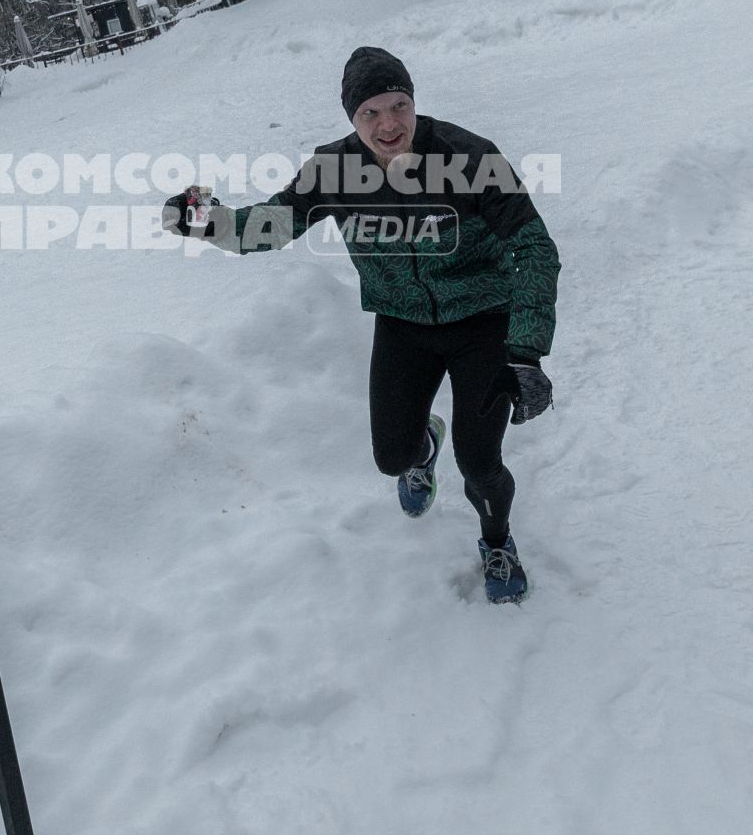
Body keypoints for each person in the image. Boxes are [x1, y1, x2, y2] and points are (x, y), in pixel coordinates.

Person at [164, 47, 560, 604]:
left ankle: (497, 540)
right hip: (403, 324)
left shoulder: (470, 157)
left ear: (415, 104)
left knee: (480, 460)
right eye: (370, 113)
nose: (389, 123)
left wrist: (526, 349)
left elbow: (533, 249)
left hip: (483, 321)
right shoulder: (334, 169)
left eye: (399, 105)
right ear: (352, 119)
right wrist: (208, 220)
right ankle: (425, 450)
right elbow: (274, 225)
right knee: (391, 457)